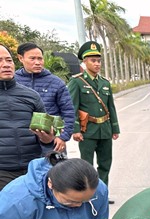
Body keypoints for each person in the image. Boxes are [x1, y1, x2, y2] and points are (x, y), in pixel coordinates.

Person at [0, 43, 55, 190]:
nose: (5, 65)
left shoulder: (31, 96)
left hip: (33, 171)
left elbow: (46, 137)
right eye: (0, 61)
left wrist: (48, 139)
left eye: (8, 60)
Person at [68, 41, 120, 189]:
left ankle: (101, 192)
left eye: (98, 61)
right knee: (87, 165)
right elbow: (73, 107)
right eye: (93, 61)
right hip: (87, 131)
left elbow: (111, 107)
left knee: (105, 164)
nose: (97, 64)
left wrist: (115, 128)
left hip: (105, 129)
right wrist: (75, 130)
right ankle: (88, 192)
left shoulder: (105, 83)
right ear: (84, 62)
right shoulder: (77, 82)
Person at [15, 42, 75, 153]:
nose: (37, 62)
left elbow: (68, 111)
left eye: (40, 59)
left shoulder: (56, 82)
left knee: (57, 170)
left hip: (52, 142)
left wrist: (63, 137)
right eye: (32, 58)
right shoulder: (12, 81)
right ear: (20, 58)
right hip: (22, 144)